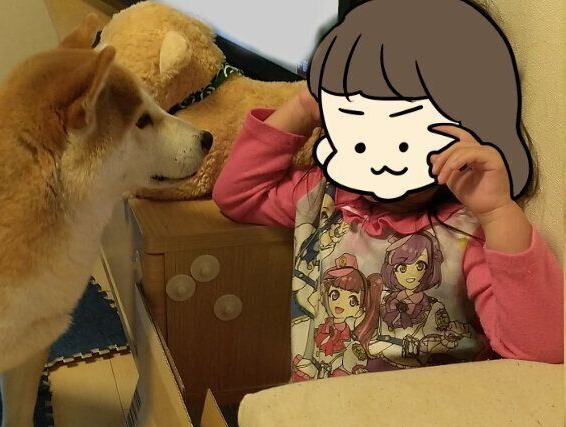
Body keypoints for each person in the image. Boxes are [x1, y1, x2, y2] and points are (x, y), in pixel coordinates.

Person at [212, 0, 563, 380]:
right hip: (327, 406)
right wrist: (303, 106)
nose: (381, 160)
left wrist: (497, 211)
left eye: (402, 134)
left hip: (426, 412)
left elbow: (538, 347)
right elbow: (238, 194)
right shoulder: (325, 198)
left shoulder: (469, 232)